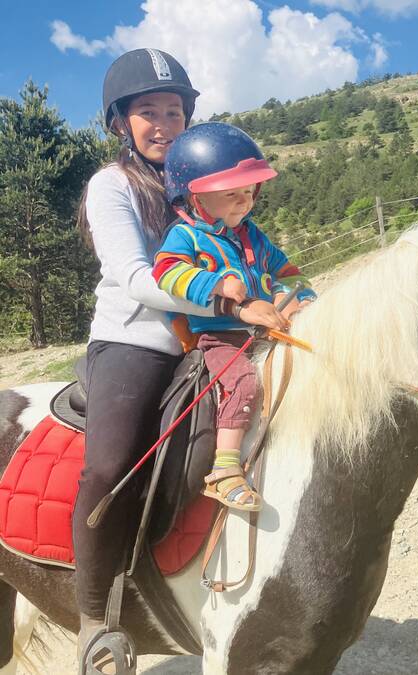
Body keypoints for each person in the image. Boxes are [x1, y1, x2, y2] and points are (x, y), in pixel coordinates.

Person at [73, 48, 226, 659]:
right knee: (108, 467)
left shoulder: (200, 182)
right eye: (148, 112)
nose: (164, 123)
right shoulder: (111, 186)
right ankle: (91, 616)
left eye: (174, 110)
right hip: (136, 338)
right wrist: (223, 297)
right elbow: (135, 277)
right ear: (120, 123)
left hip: (213, 332)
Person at [153, 121, 316, 511]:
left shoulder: (253, 235)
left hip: (263, 330)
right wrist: (215, 285)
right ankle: (224, 471)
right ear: (195, 199)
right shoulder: (186, 236)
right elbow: (165, 272)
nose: (244, 202)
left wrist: (295, 297)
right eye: (231, 194)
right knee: (243, 382)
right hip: (220, 335)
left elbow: (286, 271)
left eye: (248, 192)